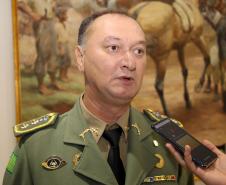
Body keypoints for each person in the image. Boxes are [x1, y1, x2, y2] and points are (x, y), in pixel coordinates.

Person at [3, 10, 194, 185]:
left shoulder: (169, 142)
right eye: (113, 47)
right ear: (80, 58)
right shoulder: (36, 148)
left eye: (139, 51)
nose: (130, 62)